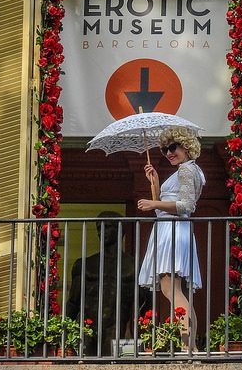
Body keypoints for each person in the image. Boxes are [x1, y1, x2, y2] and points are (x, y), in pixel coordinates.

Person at [136, 126, 205, 350]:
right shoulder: (186, 171)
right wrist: (155, 182)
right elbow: (166, 208)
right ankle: (190, 346)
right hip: (173, 230)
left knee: (171, 291)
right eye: (165, 149)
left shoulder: (186, 171)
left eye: (172, 147)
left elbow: (186, 206)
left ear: (186, 146)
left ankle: (188, 347)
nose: (168, 153)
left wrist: (153, 202)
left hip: (173, 231)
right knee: (176, 292)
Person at [66, 210, 139, 356]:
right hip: (87, 332)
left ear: (120, 230)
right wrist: (61, 335)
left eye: (107, 226)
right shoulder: (84, 265)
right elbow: (73, 303)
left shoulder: (134, 266)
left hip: (118, 332)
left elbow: (145, 306)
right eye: (99, 228)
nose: (101, 231)